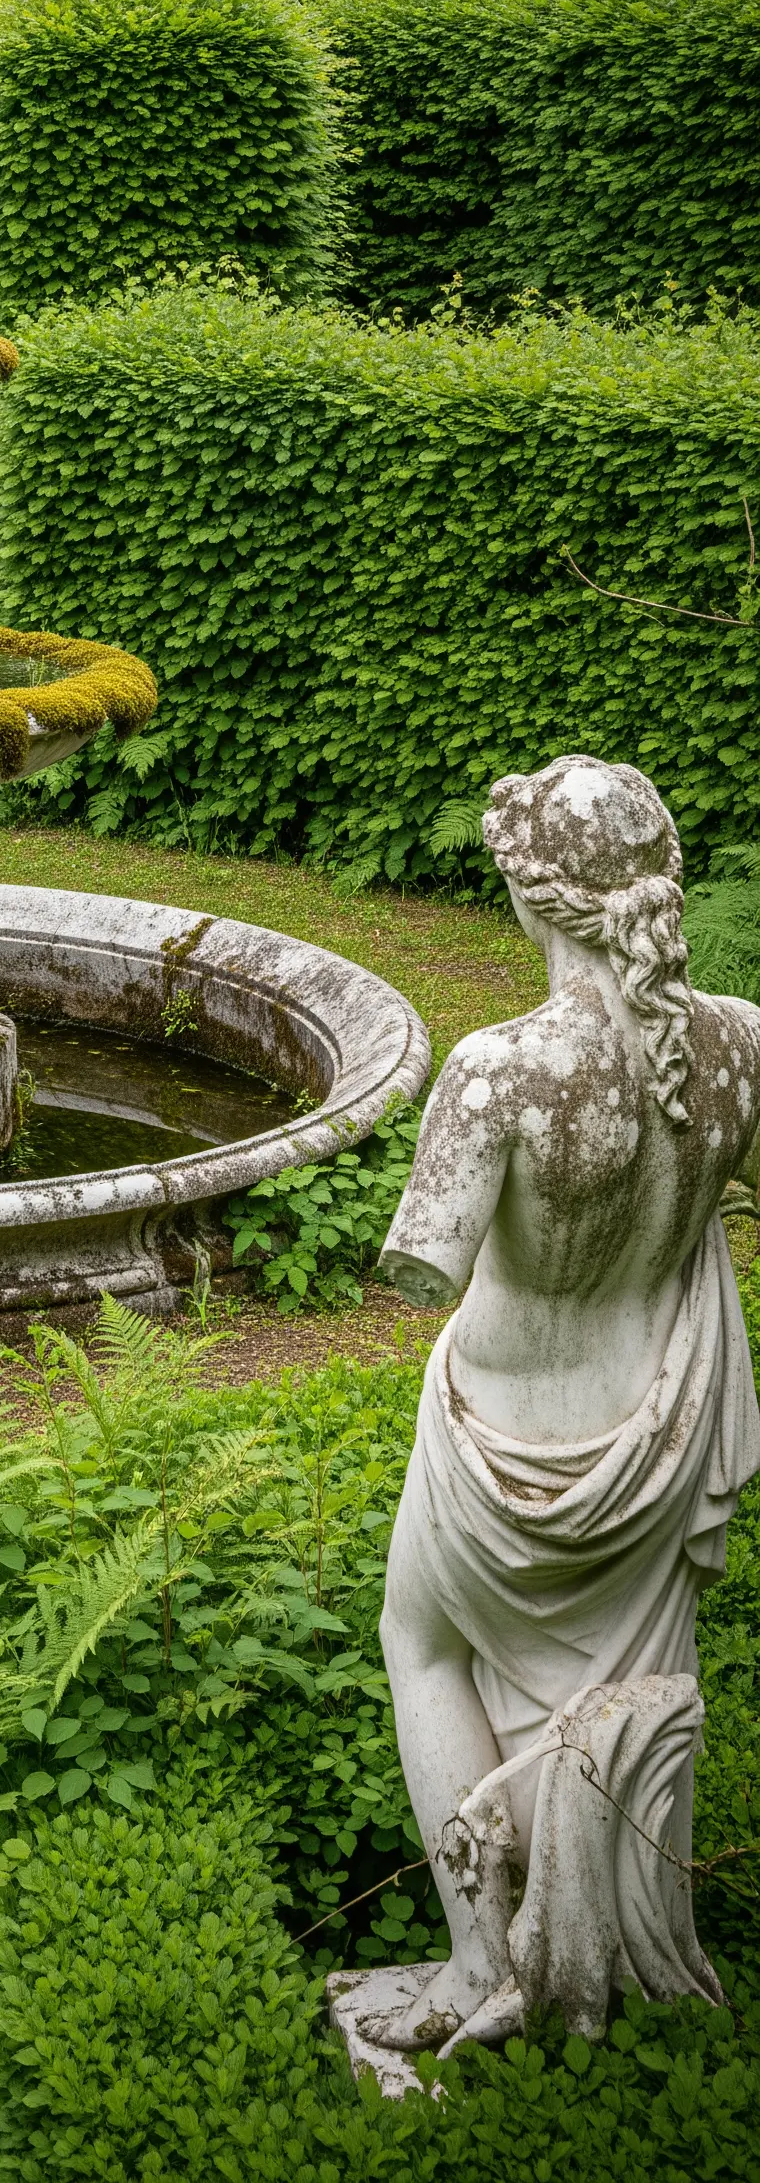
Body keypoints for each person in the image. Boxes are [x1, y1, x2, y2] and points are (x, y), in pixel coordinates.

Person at [368, 754, 760, 2052]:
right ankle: (617, 1951)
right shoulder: (743, 1044)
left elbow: (421, 1266)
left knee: (422, 1641)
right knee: (634, 1687)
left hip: (501, 1439)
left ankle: (484, 1958)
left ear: (533, 899)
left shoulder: (496, 1072)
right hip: (664, 1421)